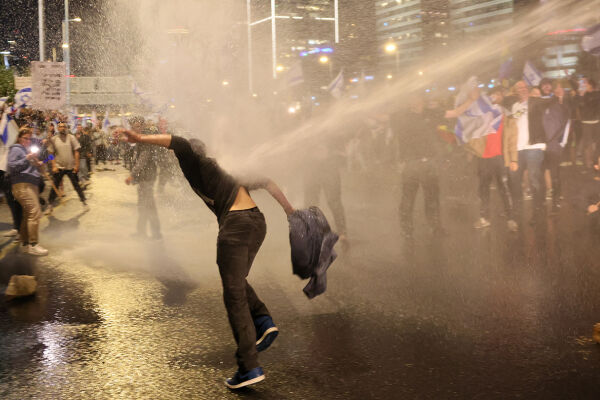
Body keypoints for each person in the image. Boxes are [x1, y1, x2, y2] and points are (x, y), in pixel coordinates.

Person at [116, 128, 294, 389]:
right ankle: (263, 320)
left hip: (235, 226)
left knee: (233, 294)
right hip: (257, 222)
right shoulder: (226, 167)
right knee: (236, 279)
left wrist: (140, 139)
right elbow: (268, 183)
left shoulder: (197, 162)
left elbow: (179, 143)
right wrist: (290, 211)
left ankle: (249, 366)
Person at [7, 127, 48, 256]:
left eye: (30, 139)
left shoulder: (27, 152)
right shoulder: (16, 149)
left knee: (27, 215)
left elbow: (39, 171)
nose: (28, 141)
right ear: (19, 138)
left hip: (31, 185)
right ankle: (33, 244)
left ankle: (25, 243)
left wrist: (40, 164)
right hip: (22, 185)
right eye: (25, 138)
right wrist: (27, 157)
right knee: (35, 212)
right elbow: (12, 166)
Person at [125, 117, 162, 240]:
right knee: (143, 205)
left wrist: (133, 174)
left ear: (142, 126)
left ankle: (155, 233)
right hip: (144, 178)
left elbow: (143, 159)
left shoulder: (145, 139)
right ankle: (142, 231)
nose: (134, 129)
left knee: (148, 205)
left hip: (147, 177)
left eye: (136, 126)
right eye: (133, 127)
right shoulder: (140, 138)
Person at [47, 122, 88, 211]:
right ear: (58, 128)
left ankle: (84, 202)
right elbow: (50, 153)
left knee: (76, 185)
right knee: (55, 186)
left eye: (64, 127)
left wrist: (77, 165)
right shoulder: (54, 139)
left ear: (66, 128)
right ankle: (50, 204)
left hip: (70, 167)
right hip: (59, 167)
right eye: (60, 127)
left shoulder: (71, 137)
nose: (62, 128)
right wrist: (53, 165)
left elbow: (76, 151)